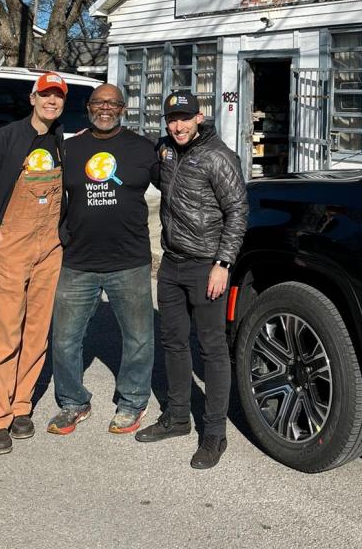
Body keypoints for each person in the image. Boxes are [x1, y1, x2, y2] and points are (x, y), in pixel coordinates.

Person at [136, 90, 248, 470]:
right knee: (173, 341)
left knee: (212, 349)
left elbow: (237, 211)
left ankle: (214, 433)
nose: (178, 125)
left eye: (185, 118)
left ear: (199, 117)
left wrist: (223, 263)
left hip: (206, 266)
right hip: (171, 264)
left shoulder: (219, 156)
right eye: (172, 119)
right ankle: (178, 415)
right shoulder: (166, 150)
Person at [47, 83, 159, 437]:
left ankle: (132, 401)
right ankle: (73, 402)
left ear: (123, 109)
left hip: (129, 260)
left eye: (112, 103)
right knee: (64, 338)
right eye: (98, 103)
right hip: (78, 260)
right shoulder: (71, 148)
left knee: (138, 338)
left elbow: (178, 187)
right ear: (89, 108)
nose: (105, 108)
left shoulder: (143, 148)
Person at [0, 71, 69, 455]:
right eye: (45, 95)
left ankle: (21, 406)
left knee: (36, 331)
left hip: (49, 248)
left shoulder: (62, 140)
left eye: (57, 96)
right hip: (12, 245)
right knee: (4, 333)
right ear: (33, 98)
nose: (51, 101)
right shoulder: (6, 138)